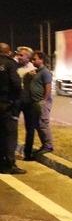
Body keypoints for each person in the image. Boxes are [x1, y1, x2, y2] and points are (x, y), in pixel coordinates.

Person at [22, 50, 54, 159]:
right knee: (38, 124)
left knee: (43, 124)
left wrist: (44, 101)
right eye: (32, 59)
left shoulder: (45, 72)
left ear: (41, 60)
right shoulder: (37, 72)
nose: (33, 61)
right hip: (35, 102)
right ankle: (44, 144)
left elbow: (48, 88)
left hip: (41, 102)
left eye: (35, 59)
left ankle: (48, 146)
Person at [0, 43, 25, 174]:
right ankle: (9, 165)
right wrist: (17, 100)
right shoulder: (10, 64)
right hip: (6, 105)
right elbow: (16, 84)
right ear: (8, 52)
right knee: (10, 134)